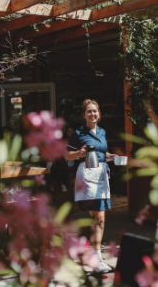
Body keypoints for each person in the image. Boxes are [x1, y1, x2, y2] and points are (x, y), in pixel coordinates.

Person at [66, 99, 112, 273]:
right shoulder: (78, 133)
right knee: (98, 217)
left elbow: (102, 152)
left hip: (102, 175)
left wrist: (110, 156)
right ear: (84, 114)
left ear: (99, 113)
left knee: (100, 218)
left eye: (95, 111)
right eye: (89, 111)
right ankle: (96, 256)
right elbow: (67, 155)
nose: (93, 114)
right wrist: (79, 153)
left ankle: (95, 255)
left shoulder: (102, 132)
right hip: (87, 175)